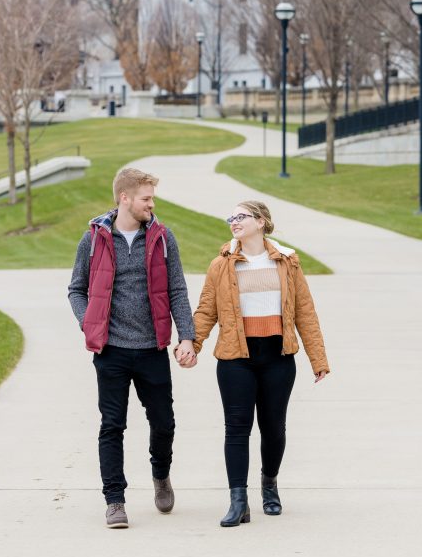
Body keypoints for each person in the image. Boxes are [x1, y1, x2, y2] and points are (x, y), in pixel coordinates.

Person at [68, 167, 197, 529]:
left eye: (152, 198)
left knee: (164, 423)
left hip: (152, 349)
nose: (151, 205)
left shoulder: (162, 238)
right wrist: (87, 321)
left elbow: (177, 291)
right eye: (146, 198)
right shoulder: (92, 240)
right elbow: (76, 289)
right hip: (111, 352)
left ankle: (160, 476)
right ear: (124, 198)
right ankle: (115, 500)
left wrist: (186, 337)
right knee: (112, 425)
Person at [192, 200, 329, 527]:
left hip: (278, 358)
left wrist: (317, 358)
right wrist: (191, 344)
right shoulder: (221, 265)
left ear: (261, 221)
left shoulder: (287, 262)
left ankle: (269, 484)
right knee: (236, 429)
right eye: (231, 217)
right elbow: (206, 310)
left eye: (240, 216)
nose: (233, 222)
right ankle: (238, 500)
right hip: (235, 357)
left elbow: (305, 312)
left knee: (273, 428)